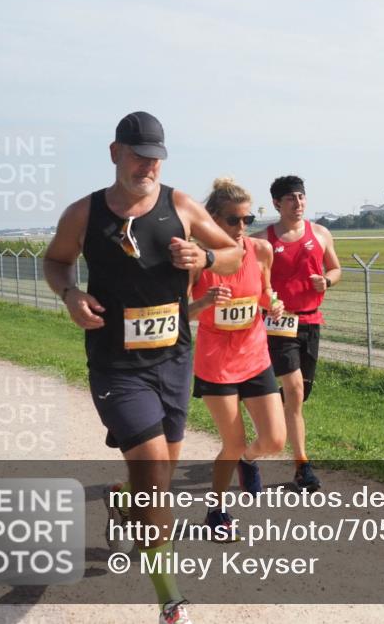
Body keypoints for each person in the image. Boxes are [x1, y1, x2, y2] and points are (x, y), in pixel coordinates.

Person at [43, 112, 242, 624]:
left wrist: (201, 258)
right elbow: (55, 260)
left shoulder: (179, 204)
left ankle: (122, 504)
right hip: (116, 364)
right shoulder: (84, 214)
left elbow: (232, 253)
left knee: (160, 478)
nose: (148, 166)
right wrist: (70, 293)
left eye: (155, 158)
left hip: (174, 359)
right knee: (154, 470)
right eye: (138, 156)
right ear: (115, 153)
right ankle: (170, 599)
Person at [188, 177, 286, 537]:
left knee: (275, 441)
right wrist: (204, 302)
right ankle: (217, 511)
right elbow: (179, 314)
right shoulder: (197, 259)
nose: (242, 227)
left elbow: (264, 293)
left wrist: (273, 305)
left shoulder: (260, 251)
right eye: (233, 220)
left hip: (255, 355)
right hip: (216, 361)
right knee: (231, 442)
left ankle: (249, 460)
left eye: (248, 219)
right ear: (212, 218)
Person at [253, 175, 341, 490]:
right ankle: (303, 467)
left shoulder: (321, 233)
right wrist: (268, 303)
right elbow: (253, 284)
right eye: (291, 198)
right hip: (278, 323)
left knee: (302, 394)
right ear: (277, 203)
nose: (298, 203)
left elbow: (336, 268)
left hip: (311, 321)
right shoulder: (263, 241)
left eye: (301, 196)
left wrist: (327, 281)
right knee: (294, 391)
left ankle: (265, 411)